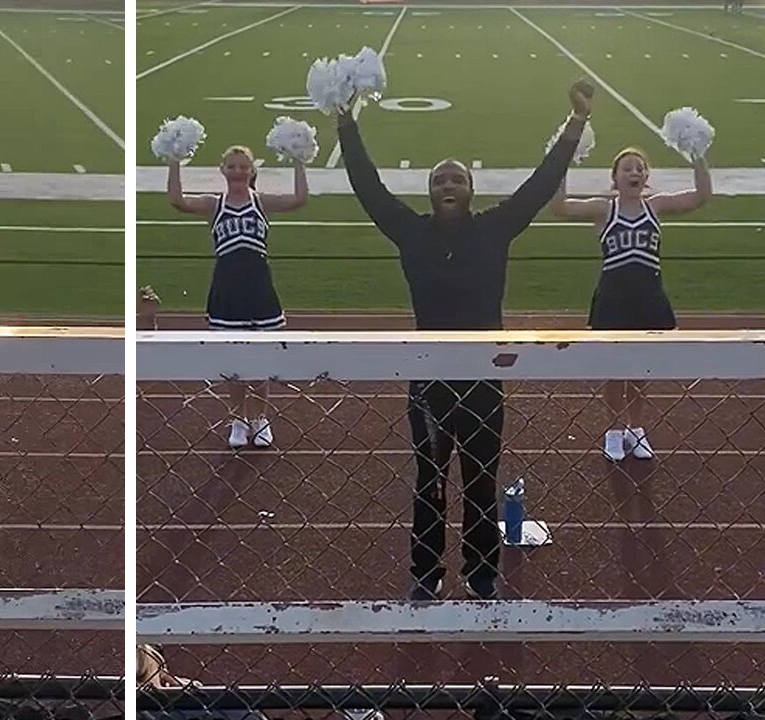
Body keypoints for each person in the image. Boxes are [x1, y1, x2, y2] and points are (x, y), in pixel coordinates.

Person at [337, 80, 595, 601]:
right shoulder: (411, 232)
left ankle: (481, 573)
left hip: (484, 379)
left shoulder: (493, 229)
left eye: (456, 178)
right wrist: (345, 123)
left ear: (470, 190)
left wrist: (576, 123)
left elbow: (541, 185)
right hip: (429, 379)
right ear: (430, 192)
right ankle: (425, 574)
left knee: (480, 481)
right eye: (439, 180)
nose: (447, 184)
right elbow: (368, 188)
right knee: (429, 484)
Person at [549, 146, 712, 461]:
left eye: (640, 168)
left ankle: (635, 430)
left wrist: (697, 154)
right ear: (615, 177)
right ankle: (612, 431)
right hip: (613, 298)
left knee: (639, 368)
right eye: (627, 168)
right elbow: (560, 208)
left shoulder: (657, 206)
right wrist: (564, 165)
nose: (634, 172)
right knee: (614, 369)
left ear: (646, 176)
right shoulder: (603, 209)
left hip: (648, 296)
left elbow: (700, 196)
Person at [166, 145, 308, 448]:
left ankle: (260, 419)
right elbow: (177, 201)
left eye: (243, 166)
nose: (238, 172)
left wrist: (299, 160)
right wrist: (174, 161)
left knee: (260, 360)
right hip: (227, 288)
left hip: (258, 287)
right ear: (222, 170)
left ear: (252, 170)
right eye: (232, 166)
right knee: (234, 362)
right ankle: (238, 420)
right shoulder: (213, 205)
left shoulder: (262, 202)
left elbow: (299, 200)